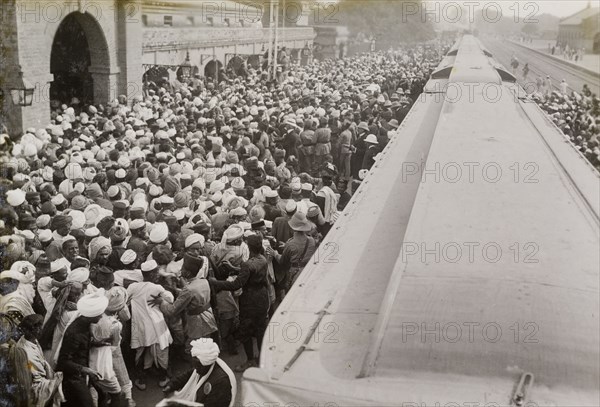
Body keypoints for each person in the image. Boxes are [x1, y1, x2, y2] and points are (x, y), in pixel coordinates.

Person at [209, 235, 270, 371]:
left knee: (246, 331)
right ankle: (261, 359)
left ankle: (249, 361)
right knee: (260, 330)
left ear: (249, 247)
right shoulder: (263, 260)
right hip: (262, 297)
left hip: (249, 301)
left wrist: (217, 283)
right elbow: (250, 274)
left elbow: (237, 284)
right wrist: (235, 269)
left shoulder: (247, 264)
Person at [55, 289, 109, 407]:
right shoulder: (75, 333)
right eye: (99, 314)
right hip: (73, 378)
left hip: (80, 373)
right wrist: (86, 370)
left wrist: (95, 343)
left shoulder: (84, 324)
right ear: (91, 316)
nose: (101, 316)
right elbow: (63, 361)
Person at [127, 260, 174, 390]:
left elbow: (125, 300)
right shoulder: (156, 288)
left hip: (141, 326)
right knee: (161, 351)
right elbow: (170, 299)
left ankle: (141, 379)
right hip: (157, 326)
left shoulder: (133, 287)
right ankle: (163, 378)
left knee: (141, 351)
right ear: (153, 274)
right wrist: (162, 300)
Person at [161, 338, 236, 407]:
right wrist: (171, 385)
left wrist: (179, 405)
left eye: (197, 367)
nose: (195, 370)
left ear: (206, 363)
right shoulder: (202, 367)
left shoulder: (221, 382)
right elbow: (187, 375)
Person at [16, 313, 65, 407]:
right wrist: (53, 380)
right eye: (37, 328)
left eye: (40, 327)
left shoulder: (31, 340)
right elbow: (36, 377)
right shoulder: (27, 351)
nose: (40, 330)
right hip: (33, 387)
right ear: (29, 331)